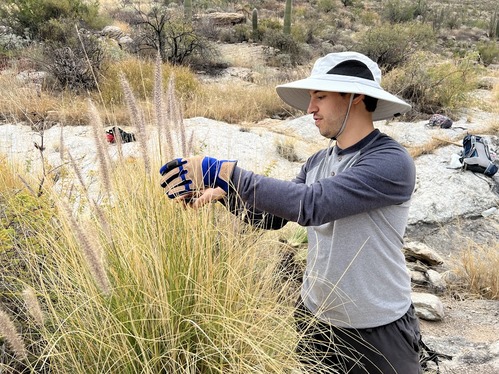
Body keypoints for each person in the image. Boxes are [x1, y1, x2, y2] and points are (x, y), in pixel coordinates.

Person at [159, 51, 421, 373]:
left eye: (320, 97)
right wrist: (224, 194)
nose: (311, 108)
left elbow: (313, 205)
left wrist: (223, 171)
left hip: (377, 328)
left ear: (355, 97)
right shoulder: (317, 162)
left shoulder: (391, 162)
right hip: (316, 319)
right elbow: (273, 216)